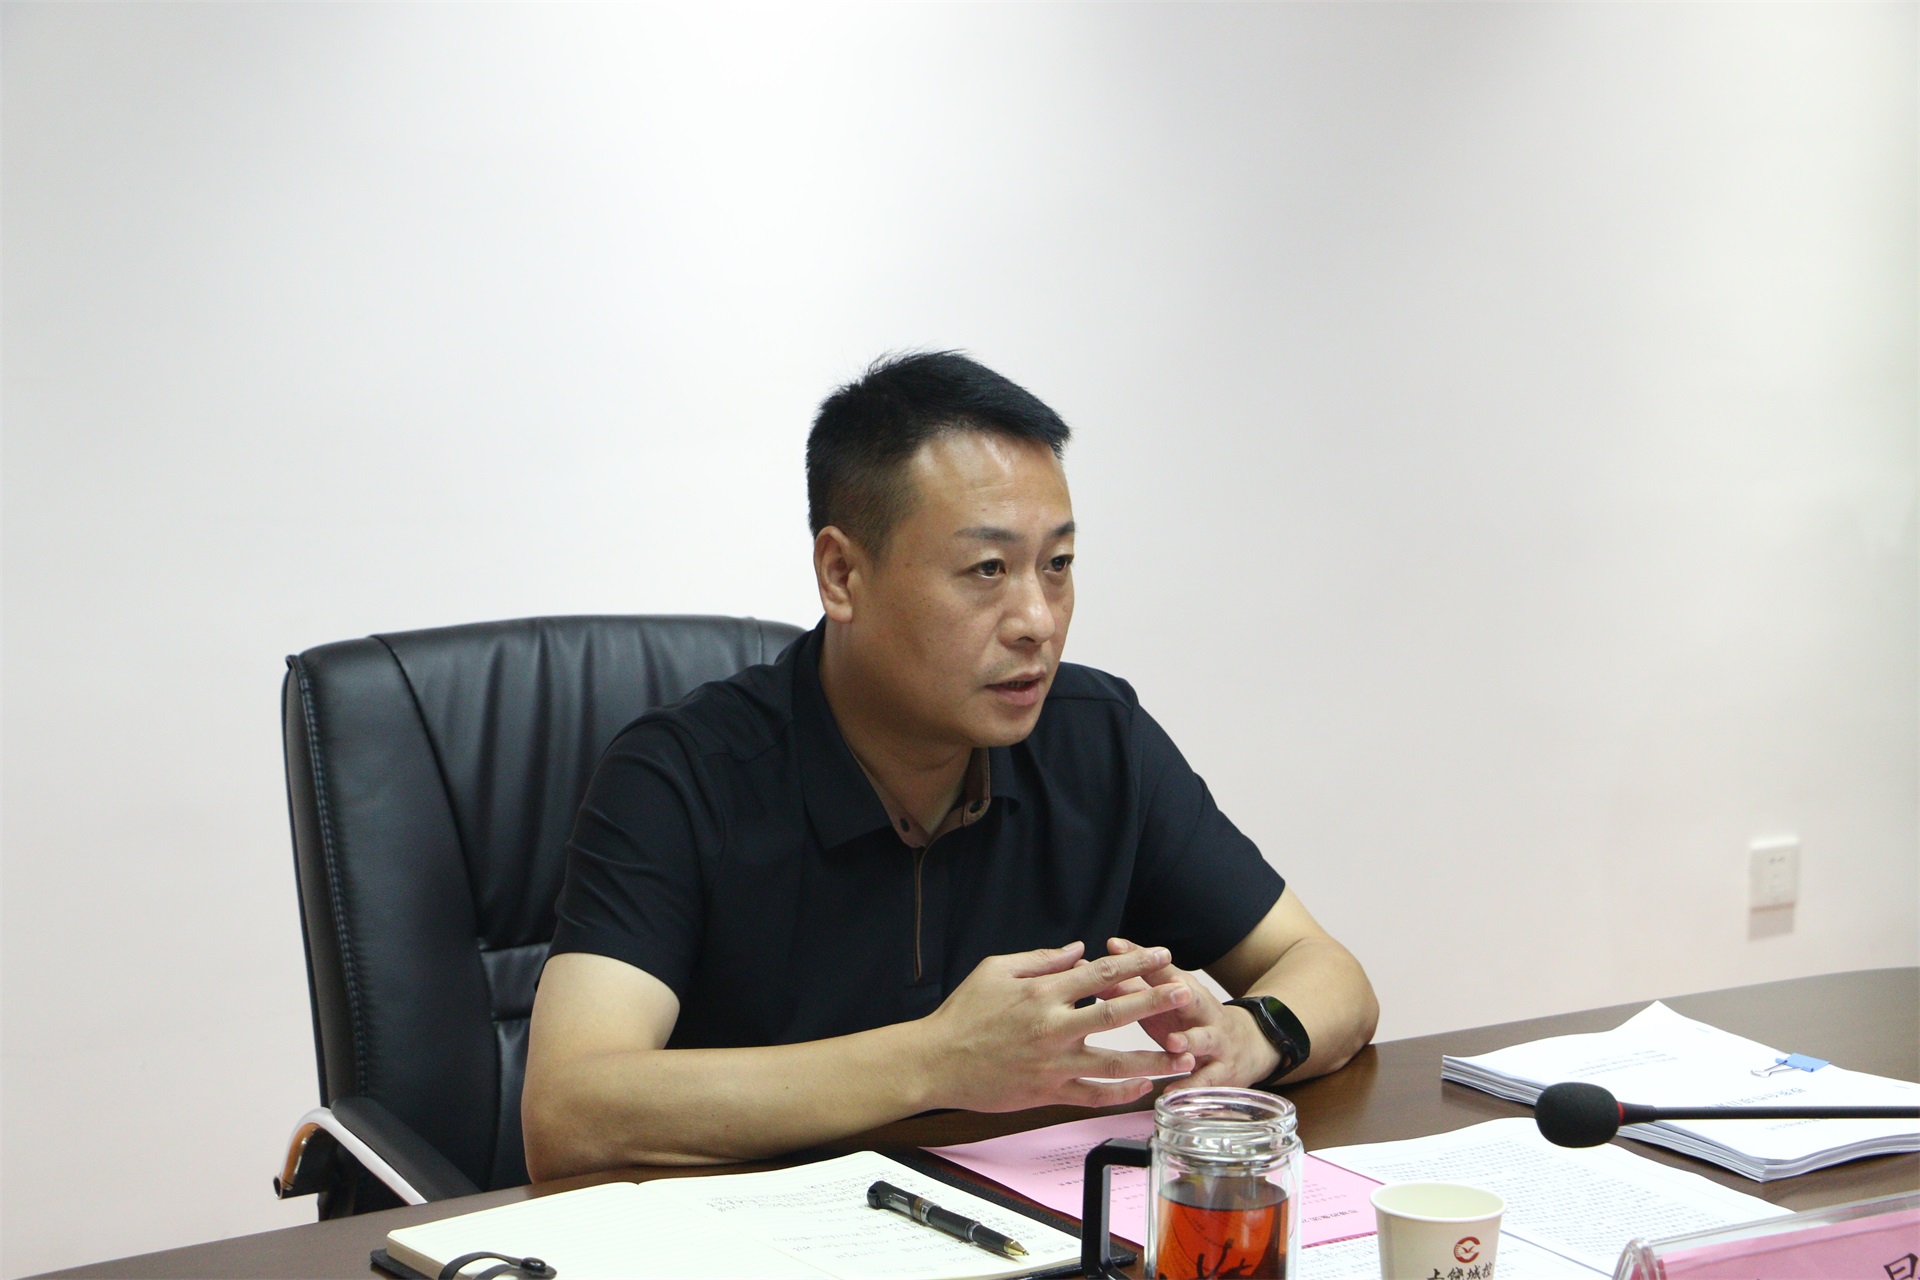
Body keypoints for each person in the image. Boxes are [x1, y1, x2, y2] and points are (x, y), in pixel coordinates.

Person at [522, 352, 1378, 1179]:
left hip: (1020, 1227)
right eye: (987, 569)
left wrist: (1252, 1035)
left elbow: (1328, 972)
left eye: (1057, 565)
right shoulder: (681, 775)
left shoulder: (1097, 739)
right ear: (842, 574)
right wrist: (937, 1062)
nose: (1037, 620)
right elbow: (569, 1110)